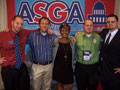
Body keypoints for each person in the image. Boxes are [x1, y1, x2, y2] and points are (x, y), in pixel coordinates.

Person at [0, 15, 31, 90]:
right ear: (12, 23)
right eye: (17, 23)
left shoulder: (24, 32)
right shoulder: (2, 35)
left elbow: (38, 30)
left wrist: (47, 30)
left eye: (21, 24)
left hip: (22, 68)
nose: (19, 26)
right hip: (8, 71)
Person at [26, 17, 56, 90]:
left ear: (49, 25)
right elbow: (20, 39)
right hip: (36, 66)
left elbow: (63, 39)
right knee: (36, 87)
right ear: (39, 25)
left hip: (49, 66)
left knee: (47, 87)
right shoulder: (32, 36)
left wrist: (72, 38)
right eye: (42, 23)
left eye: (46, 24)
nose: (44, 25)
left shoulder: (53, 37)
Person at [75, 19, 100, 90]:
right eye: (87, 25)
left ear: (93, 26)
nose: (89, 27)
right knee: (81, 88)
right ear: (83, 26)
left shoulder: (98, 37)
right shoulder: (77, 36)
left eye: (91, 25)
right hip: (80, 68)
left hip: (93, 68)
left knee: (93, 88)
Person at [100, 14, 120, 90]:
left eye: (112, 22)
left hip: (115, 73)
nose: (110, 23)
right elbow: (93, 35)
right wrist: (79, 34)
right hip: (104, 72)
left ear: (117, 22)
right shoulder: (104, 32)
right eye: (108, 22)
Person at [52, 24, 74, 90]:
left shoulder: (72, 41)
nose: (64, 32)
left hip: (69, 67)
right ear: (60, 31)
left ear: (69, 31)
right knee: (60, 84)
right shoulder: (55, 41)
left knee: (69, 86)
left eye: (66, 30)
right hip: (58, 68)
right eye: (62, 30)